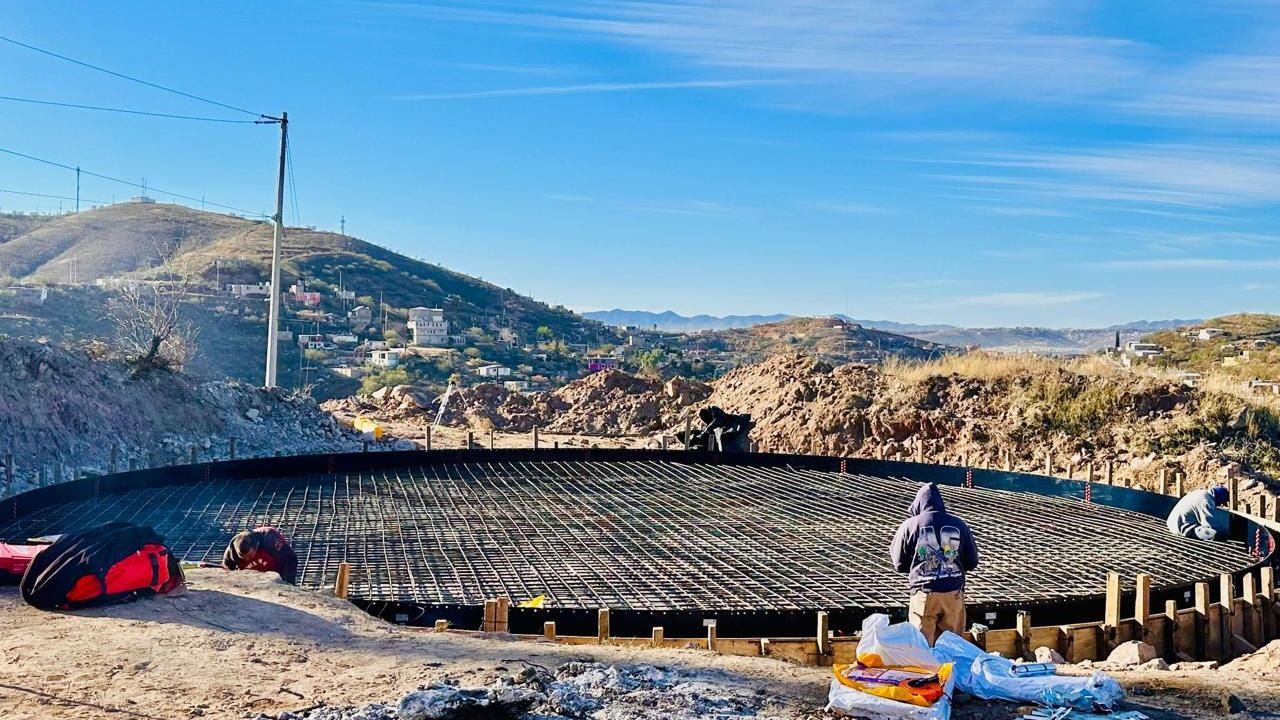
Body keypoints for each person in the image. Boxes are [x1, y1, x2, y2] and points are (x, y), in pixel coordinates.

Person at [890, 483, 980, 645]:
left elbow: (898, 563)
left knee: (922, 648)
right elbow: (972, 561)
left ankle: (929, 670)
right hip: (953, 594)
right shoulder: (959, 525)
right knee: (952, 647)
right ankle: (950, 670)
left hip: (924, 594)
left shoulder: (909, 526)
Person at [222, 526, 298, 584]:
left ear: (256, 545)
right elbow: (227, 573)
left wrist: (287, 582)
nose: (247, 560)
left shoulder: (270, 539)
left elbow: (291, 559)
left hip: (276, 577)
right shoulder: (231, 552)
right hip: (251, 582)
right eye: (243, 558)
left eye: (250, 556)